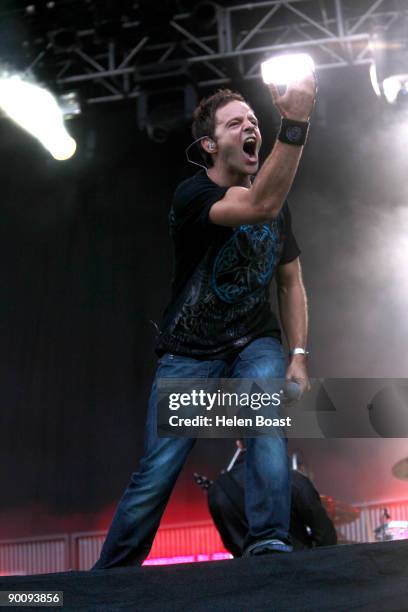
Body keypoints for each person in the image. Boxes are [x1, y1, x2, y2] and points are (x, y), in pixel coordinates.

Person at [93, 72, 317, 568]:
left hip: (252, 340)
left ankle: (268, 546)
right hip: (190, 351)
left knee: (265, 422)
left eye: (253, 121)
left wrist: (298, 354)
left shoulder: (278, 202)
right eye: (234, 124)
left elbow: (290, 282)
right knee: (159, 469)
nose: (248, 127)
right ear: (210, 146)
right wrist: (295, 122)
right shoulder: (192, 196)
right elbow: (259, 205)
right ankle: (110, 576)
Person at [207, 444, 337, 556]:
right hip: (299, 575)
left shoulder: (217, 491)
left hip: (252, 578)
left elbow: (230, 542)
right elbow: (325, 534)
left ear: (239, 444)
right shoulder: (293, 480)